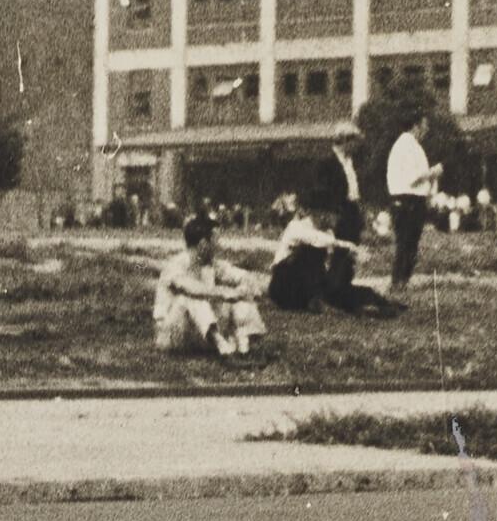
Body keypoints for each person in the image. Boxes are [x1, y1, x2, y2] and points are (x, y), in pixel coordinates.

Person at [153, 215, 267, 357]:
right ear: (203, 244)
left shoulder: (211, 265)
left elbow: (244, 276)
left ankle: (244, 347)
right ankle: (221, 344)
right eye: (215, 240)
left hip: (200, 330)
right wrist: (223, 292)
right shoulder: (176, 264)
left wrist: (244, 289)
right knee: (190, 297)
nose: (219, 246)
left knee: (238, 295)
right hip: (172, 334)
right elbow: (190, 287)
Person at [265, 198, 399, 317]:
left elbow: (329, 260)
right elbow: (316, 239)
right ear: (314, 213)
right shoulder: (297, 226)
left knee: (336, 285)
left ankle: (375, 302)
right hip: (283, 286)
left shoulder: (328, 232)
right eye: (326, 214)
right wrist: (347, 246)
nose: (331, 218)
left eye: (333, 214)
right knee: (311, 251)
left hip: (305, 287)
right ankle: (321, 299)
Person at [384, 108, 441, 288]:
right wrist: (433, 172)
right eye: (425, 125)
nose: (427, 129)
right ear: (416, 126)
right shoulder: (406, 146)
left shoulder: (412, 145)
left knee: (409, 243)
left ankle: (402, 280)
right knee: (406, 242)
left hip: (412, 199)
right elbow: (413, 178)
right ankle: (398, 281)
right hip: (407, 200)